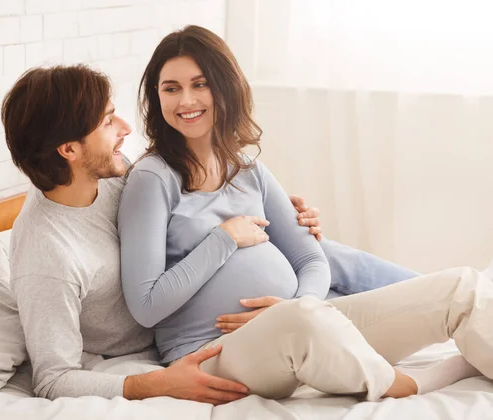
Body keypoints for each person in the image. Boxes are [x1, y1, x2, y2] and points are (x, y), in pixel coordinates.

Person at [117, 25, 491, 402]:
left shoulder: (248, 170)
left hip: (302, 327)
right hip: (213, 351)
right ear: (156, 96)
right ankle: (411, 383)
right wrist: (225, 238)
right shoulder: (152, 178)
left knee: (459, 287)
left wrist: (301, 302)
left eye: (200, 84)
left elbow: (311, 256)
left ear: (225, 87)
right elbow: (146, 307)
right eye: (171, 88)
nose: (186, 100)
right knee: (301, 322)